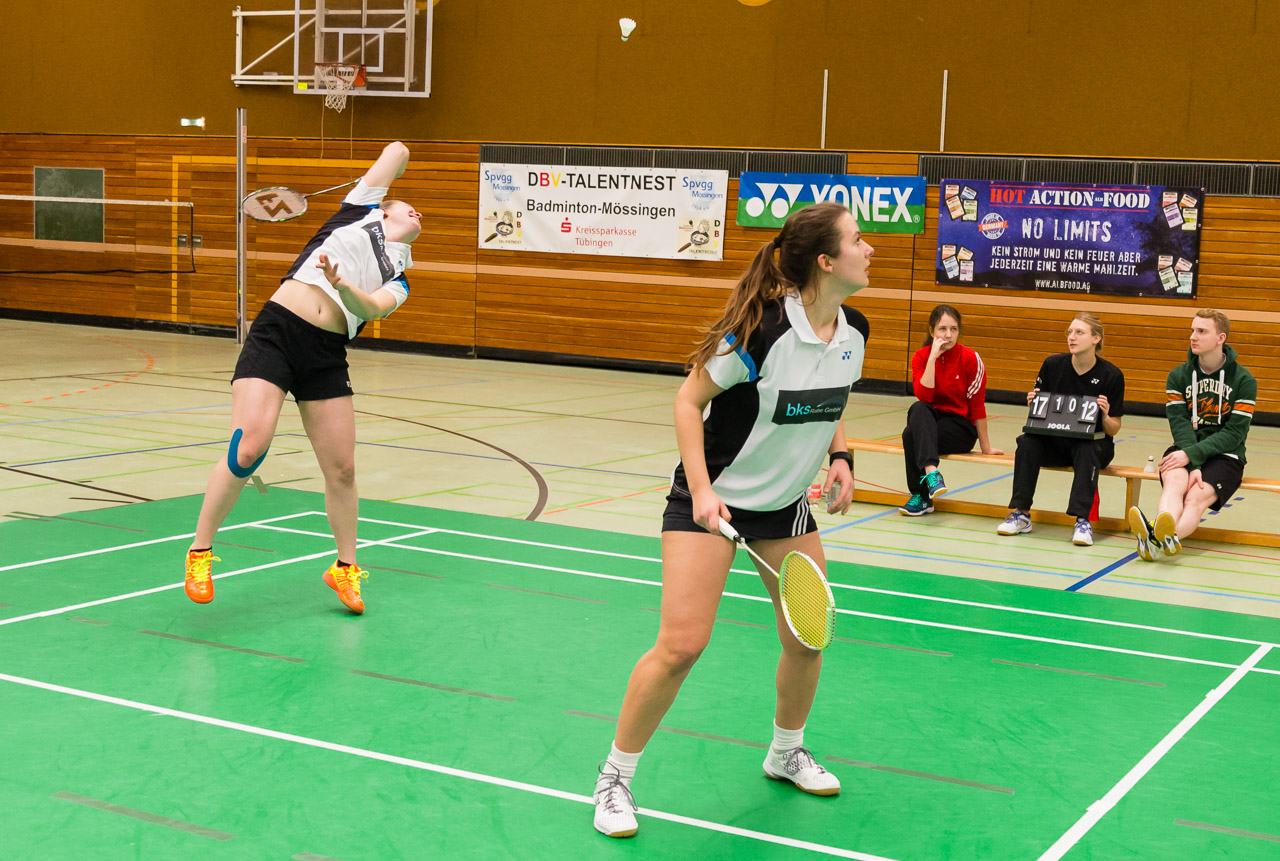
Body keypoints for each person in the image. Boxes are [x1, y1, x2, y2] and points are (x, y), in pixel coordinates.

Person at [591, 202, 870, 839]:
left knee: (808, 635)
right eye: (858, 240)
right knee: (681, 646)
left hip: (786, 507)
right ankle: (614, 778)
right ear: (826, 262)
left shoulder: (854, 330)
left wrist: (841, 456)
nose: (869, 249)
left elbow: (831, 399)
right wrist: (700, 491)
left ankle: (786, 751)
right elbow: (688, 401)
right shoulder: (762, 332)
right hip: (713, 501)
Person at [183, 141, 422, 614]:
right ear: (384, 208)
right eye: (409, 208)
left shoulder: (400, 276)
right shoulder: (359, 211)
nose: (420, 215)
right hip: (277, 333)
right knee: (248, 449)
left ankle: (345, 568)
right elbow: (397, 150)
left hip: (325, 353)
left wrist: (342, 285)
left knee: (343, 469)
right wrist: (382, 179)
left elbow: (370, 308)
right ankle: (200, 551)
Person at [1129, 310, 1256, 561]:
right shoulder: (1178, 376)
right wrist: (1193, 461)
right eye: (1192, 330)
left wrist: (1192, 456)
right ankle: (1162, 537)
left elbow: (1234, 433)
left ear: (1221, 338)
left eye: (1201, 331)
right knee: (1175, 483)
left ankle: (1154, 539)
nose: (1193, 337)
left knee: (1196, 497)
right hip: (1185, 446)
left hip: (1226, 454)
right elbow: (1180, 424)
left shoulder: (1244, 380)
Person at [996, 312, 1124, 546]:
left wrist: (1105, 416)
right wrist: (1034, 404)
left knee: (1087, 448)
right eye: (1070, 332)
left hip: (1094, 445)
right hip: (1056, 442)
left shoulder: (1111, 375)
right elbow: (1040, 411)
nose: (1071, 337)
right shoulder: (1052, 365)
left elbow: (1114, 428)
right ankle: (1021, 514)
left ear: (1096, 338)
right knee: (1027, 441)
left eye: (1079, 332)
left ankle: (1082, 521)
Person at [898, 304, 1002, 516]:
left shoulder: (971, 358)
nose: (948, 335)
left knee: (911, 434)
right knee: (917, 412)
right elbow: (924, 396)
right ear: (931, 332)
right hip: (931, 422)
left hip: (960, 429)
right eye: (942, 329)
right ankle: (931, 475)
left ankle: (921, 496)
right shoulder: (921, 357)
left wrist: (985, 447)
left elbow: (977, 404)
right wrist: (932, 358)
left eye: (953, 329)